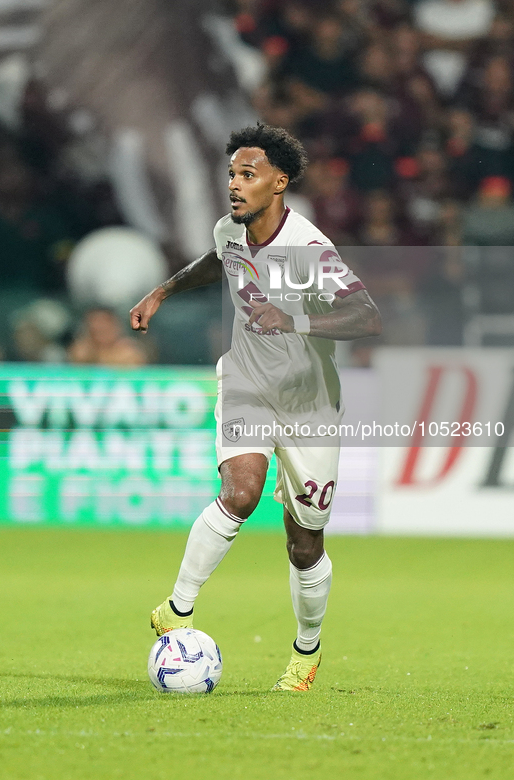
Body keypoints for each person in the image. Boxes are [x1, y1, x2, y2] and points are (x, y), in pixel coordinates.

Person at [130, 124, 381, 692]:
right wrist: (162, 292)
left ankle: (306, 652)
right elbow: (217, 259)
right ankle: (180, 605)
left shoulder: (309, 250)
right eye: (232, 175)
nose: (235, 186)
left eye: (248, 175)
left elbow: (367, 316)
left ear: (279, 183)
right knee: (240, 491)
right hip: (246, 380)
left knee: (305, 541)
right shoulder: (231, 230)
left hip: (308, 402)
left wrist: (295, 320)